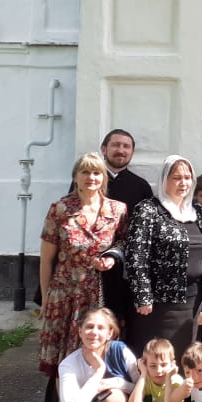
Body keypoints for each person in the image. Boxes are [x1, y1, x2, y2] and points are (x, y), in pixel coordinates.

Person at [39, 153, 127, 379]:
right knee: (65, 358)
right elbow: (46, 259)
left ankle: (98, 397)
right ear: (75, 177)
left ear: (104, 178)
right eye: (85, 172)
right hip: (66, 294)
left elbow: (123, 243)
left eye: (97, 173)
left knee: (98, 353)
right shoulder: (60, 209)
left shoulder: (117, 210)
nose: (91, 177)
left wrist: (111, 257)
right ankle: (64, 398)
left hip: (101, 294)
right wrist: (46, 299)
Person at [125, 155, 202, 358]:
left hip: (194, 300)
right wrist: (143, 295)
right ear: (164, 180)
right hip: (160, 303)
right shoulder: (148, 210)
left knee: (187, 356)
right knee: (160, 357)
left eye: (187, 177)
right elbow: (136, 255)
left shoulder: (197, 211)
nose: (183, 183)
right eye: (176, 178)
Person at [97, 129, 154, 322]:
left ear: (132, 152)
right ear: (104, 149)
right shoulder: (90, 181)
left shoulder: (141, 187)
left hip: (125, 267)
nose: (121, 150)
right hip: (93, 266)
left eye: (126, 146)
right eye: (115, 145)